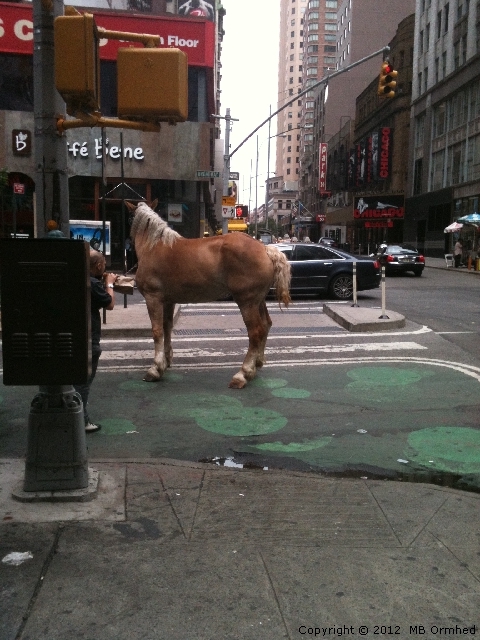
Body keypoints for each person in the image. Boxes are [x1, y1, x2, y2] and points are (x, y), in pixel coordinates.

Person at [74, 250, 116, 433]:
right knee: (84, 382)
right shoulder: (92, 283)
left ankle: (74, 416)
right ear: (98, 266)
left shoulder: (79, 279)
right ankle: (81, 421)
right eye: (104, 263)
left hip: (77, 335)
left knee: (76, 380)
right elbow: (110, 303)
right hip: (90, 338)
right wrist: (110, 284)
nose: (105, 266)